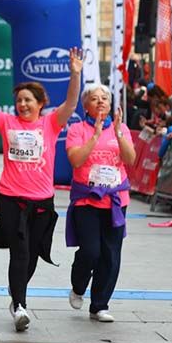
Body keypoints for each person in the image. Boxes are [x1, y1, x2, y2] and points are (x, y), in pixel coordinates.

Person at [0, 49, 83, 332]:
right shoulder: (6, 122)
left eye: (28, 100)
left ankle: (16, 295)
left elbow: (72, 102)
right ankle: (21, 306)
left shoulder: (50, 123)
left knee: (33, 254)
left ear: (40, 104)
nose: (22, 104)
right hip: (11, 198)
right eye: (19, 100)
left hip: (42, 200)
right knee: (20, 251)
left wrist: (75, 73)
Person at [65, 83, 135, 322]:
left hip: (116, 199)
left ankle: (99, 305)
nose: (101, 102)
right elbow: (75, 160)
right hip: (87, 199)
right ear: (86, 106)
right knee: (91, 251)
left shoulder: (121, 128)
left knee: (110, 254)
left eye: (105, 98)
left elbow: (130, 159)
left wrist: (117, 133)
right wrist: (95, 135)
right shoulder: (77, 129)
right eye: (94, 99)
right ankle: (78, 286)